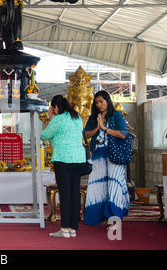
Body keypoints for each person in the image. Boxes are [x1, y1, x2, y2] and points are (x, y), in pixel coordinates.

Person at [40, 95, 86, 238]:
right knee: (74, 194)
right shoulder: (77, 117)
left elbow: (44, 135)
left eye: (53, 108)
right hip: (78, 159)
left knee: (65, 195)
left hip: (63, 160)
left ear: (56, 108)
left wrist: (50, 117)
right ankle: (73, 228)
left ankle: (64, 229)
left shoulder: (58, 119)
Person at [83, 90, 130, 227]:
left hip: (114, 154)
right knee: (97, 186)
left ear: (107, 101)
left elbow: (123, 134)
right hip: (98, 154)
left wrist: (104, 128)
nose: (99, 105)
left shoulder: (116, 115)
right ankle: (99, 217)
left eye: (101, 102)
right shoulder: (94, 117)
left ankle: (114, 218)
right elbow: (85, 134)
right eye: (96, 102)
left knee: (114, 185)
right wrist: (97, 127)